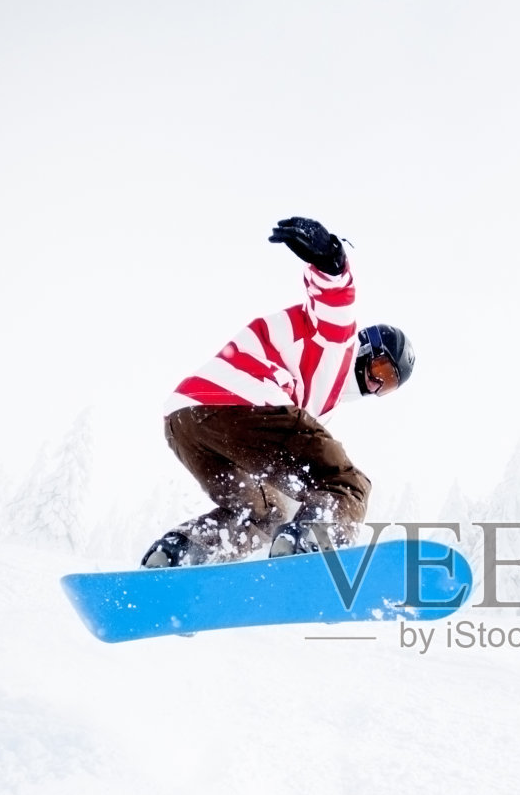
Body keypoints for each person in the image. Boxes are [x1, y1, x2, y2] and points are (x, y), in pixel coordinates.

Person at [142, 217, 415, 568]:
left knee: (265, 512)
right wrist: (331, 260)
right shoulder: (339, 344)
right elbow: (335, 302)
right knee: (347, 483)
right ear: (367, 348)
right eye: (381, 370)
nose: (376, 386)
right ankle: (312, 545)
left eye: (388, 386)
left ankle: (184, 553)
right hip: (245, 402)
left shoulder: (319, 401)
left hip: (185, 422)